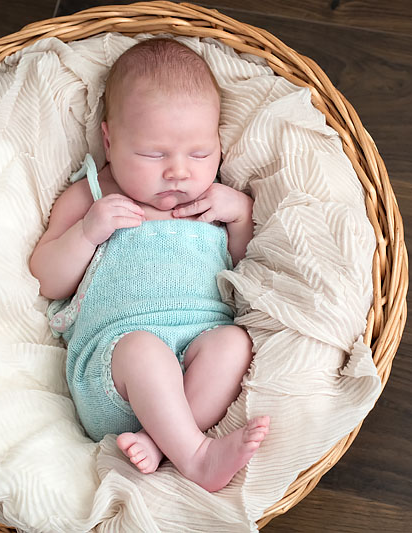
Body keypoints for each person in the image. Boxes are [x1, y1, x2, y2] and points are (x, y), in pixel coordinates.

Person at [29, 38, 269, 492]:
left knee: (234, 343)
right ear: (110, 141)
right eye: (153, 154)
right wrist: (86, 234)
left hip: (196, 365)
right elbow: (45, 278)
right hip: (114, 368)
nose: (179, 171)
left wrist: (240, 215)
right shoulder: (92, 195)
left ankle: (161, 442)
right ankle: (196, 456)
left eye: (199, 154)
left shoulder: (214, 201)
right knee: (144, 351)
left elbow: (243, 271)